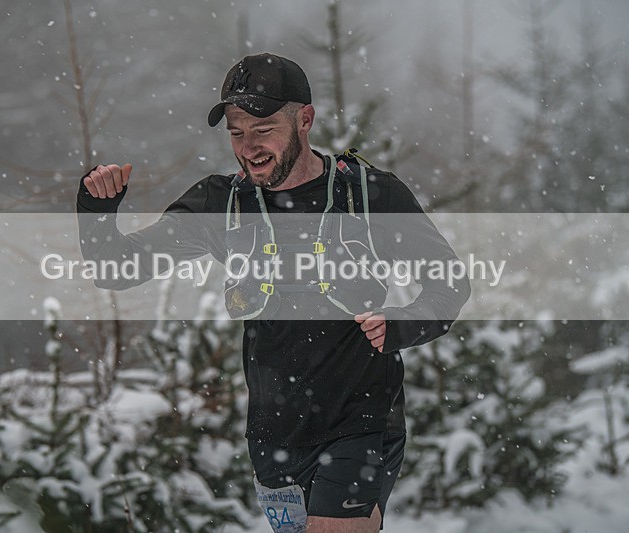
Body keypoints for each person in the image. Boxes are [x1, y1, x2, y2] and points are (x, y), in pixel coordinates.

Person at [77, 53, 470, 532]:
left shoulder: (369, 195)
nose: (249, 146)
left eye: (263, 128)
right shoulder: (221, 204)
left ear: (304, 119)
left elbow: (448, 280)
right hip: (274, 433)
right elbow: (116, 269)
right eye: (237, 132)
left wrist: (405, 322)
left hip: (360, 416)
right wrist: (96, 211)